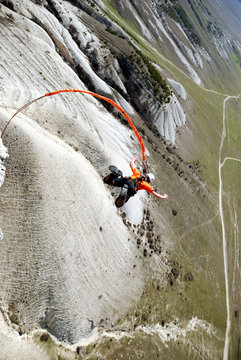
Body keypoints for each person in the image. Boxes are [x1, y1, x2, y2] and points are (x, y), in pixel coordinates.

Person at [104, 157, 168, 207]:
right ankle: (123, 196)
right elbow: (155, 194)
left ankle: (113, 175)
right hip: (132, 188)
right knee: (118, 204)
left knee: (109, 181)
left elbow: (131, 164)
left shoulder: (138, 173)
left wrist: (134, 159)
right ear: (149, 181)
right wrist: (163, 196)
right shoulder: (146, 185)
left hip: (127, 180)